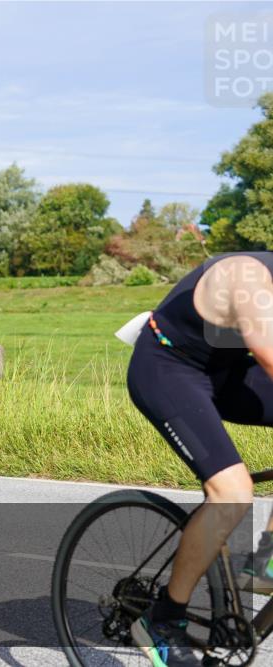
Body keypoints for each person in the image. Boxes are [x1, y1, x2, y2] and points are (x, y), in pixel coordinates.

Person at [125, 251, 273, 666]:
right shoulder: (249, 277)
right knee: (232, 492)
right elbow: (267, 351)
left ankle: (267, 563)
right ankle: (162, 618)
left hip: (225, 372)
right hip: (168, 368)